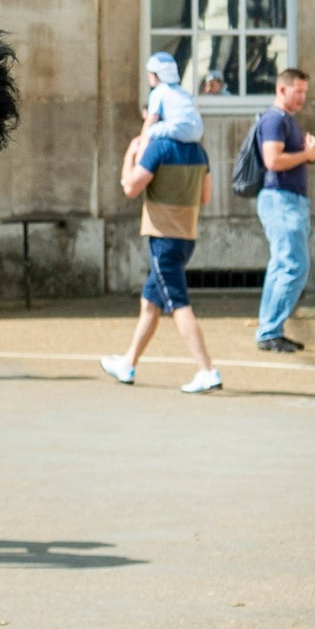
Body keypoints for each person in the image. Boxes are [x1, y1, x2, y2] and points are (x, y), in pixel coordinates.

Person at [99, 55, 222, 393]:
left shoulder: (160, 148)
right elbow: (206, 198)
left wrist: (130, 154)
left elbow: (130, 187)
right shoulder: (199, 152)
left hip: (162, 238)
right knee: (150, 303)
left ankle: (207, 369)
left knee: (178, 304)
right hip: (186, 237)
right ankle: (128, 363)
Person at [251, 62, 315, 353]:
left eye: (305, 92)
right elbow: (273, 161)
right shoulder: (275, 119)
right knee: (294, 265)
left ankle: (269, 329)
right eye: (298, 91)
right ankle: (269, 331)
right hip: (281, 200)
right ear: (282, 89)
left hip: (288, 201)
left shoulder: (285, 119)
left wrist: (307, 154)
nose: (302, 97)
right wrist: (306, 154)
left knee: (282, 266)